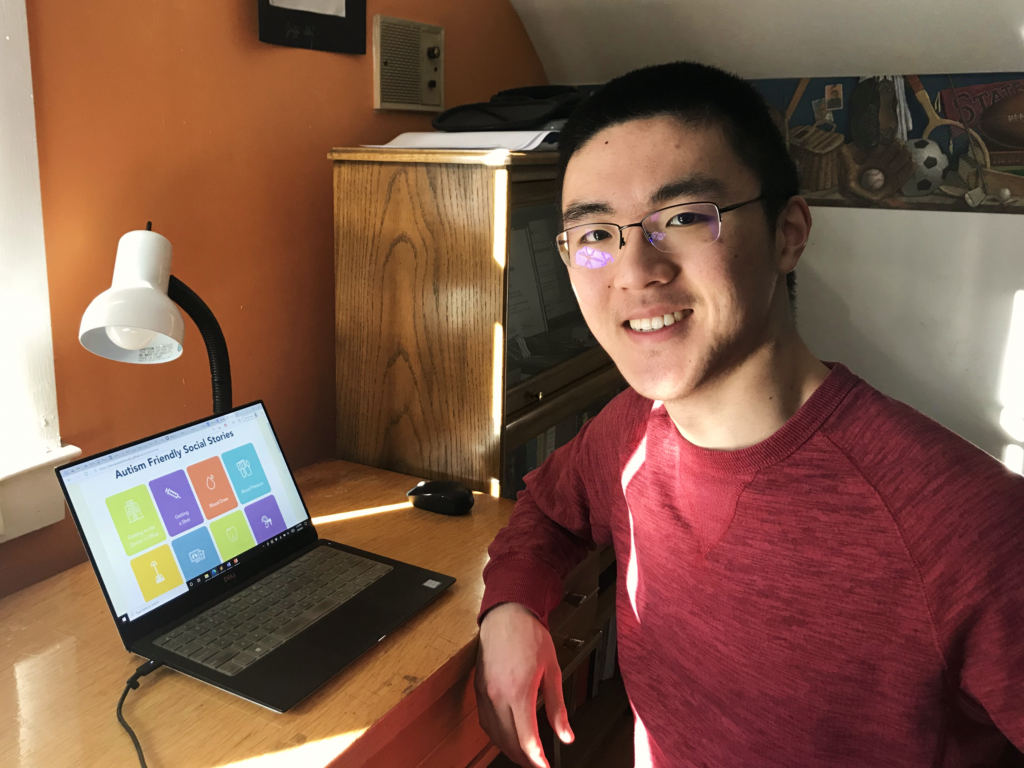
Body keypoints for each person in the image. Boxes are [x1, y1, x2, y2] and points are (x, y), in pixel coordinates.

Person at [474, 62, 1024, 768]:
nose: (635, 270)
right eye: (595, 235)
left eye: (683, 218)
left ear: (789, 232)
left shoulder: (964, 528)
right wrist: (513, 610)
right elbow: (547, 512)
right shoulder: (632, 430)